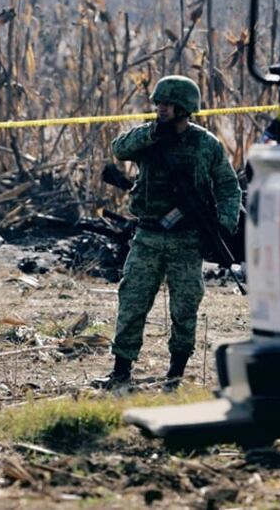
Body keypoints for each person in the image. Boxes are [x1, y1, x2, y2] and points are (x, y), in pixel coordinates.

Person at [93, 75, 241, 390]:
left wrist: (224, 223)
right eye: (159, 103)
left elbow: (228, 185)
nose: (162, 109)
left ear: (185, 108)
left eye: (168, 104)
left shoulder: (206, 144)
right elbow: (119, 149)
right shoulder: (148, 138)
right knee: (132, 301)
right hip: (147, 235)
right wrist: (150, 135)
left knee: (185, 307)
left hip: (187, 239)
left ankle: (175, 373)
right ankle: (120, 370)